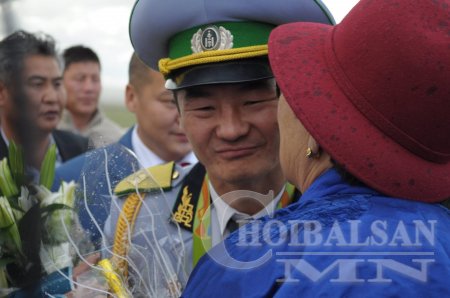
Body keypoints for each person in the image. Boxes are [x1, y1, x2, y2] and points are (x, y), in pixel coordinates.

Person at [182, 0, 450, 296]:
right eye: (205, 107)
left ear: (317, 127)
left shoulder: (241, 266)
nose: (232, 130)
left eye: (284, 91)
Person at [101, 0, 334, 296]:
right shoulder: (138, 216)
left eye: (252, 102)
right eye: (205, 108)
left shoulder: (344, 221)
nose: (231, 129)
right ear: (180, 114)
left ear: (292, 105)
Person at [53, 52, 197, 248]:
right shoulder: (72, 182)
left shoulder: (234, 175)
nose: (184, 116)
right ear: (131, 97)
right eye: (171, 102)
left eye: (196, 102)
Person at [0, 30, 88, 182]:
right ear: (2, 92)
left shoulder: (84, 154)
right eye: (37, 84)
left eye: (57, 84)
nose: (52, 97)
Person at [58, 45, 124, 148]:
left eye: (95, 79)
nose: (89, 88)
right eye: (80, 79)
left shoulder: (116, 140)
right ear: (60, 82)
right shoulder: (46, 133)